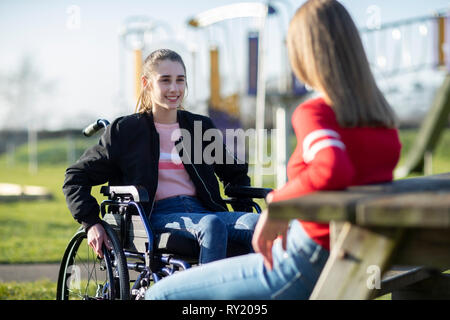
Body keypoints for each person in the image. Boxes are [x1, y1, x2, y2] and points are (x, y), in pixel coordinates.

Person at [144, 0, 401, 300]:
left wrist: (279, 204)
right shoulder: (381, 120)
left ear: (306, 54)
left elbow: (332, 167)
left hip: (307, 260)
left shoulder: (315, 113)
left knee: (159, 295)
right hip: (359, 256)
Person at [62, 49, 259, 265]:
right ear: (146, 83)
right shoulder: (126, 130)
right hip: (154, 216)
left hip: (204, 210)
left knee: (255, 223)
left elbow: (235, 174)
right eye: (165, 80)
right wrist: (91, 222)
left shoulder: (199, 127)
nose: (174, 88)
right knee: (211, 225)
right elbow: (76, 176)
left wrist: (242, 213)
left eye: (180, 80)